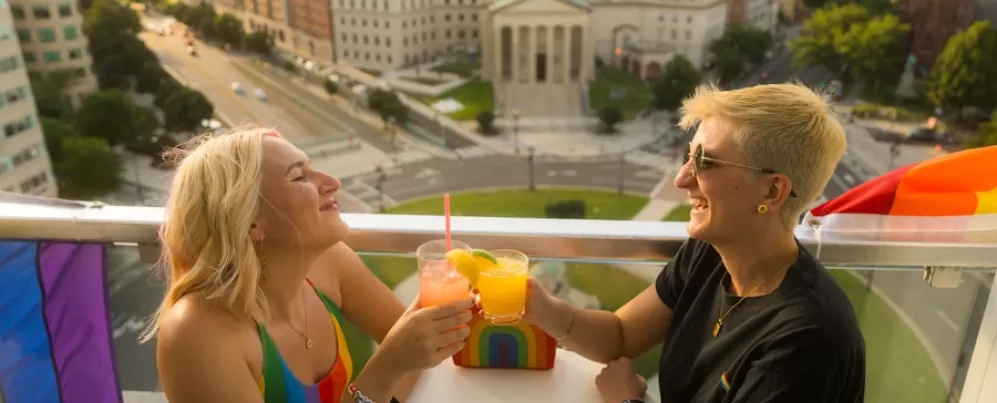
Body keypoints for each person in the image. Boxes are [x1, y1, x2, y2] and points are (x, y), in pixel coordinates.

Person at [525, 83, 866, 403]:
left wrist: (629, 401)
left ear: (772, 191)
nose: (681, 178)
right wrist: (539, 307)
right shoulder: (711, 252)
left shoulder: (805, 342)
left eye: (706, 162)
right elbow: (621, 336)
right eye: (689, 156)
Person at [142, 128, 474, 403]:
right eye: (299, 176)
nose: (332, 181)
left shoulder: (330, 262)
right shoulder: (197, 336)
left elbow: (427, 351)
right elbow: (397, 365)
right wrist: (384, 370)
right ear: (250, 222)